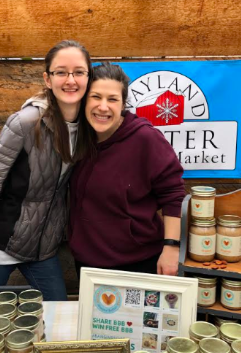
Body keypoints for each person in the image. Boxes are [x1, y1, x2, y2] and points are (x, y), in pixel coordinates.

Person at [0, 40, 93, 301]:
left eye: (79, 72)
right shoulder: (26, 122)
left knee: (57, 313)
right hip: (1, 245)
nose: (70, 80)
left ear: (88, 78)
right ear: (48, 79)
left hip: (43, 249)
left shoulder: (88, 127)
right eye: (61, 72)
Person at [69, 62, 186, 278]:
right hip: (87, 264)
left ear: (123, 104)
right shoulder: (77, 138)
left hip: (138, 262)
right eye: (96, 97)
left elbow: (173, 195)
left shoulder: (145, 139)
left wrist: (171, 248)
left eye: (112, 99)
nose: (103, 107)